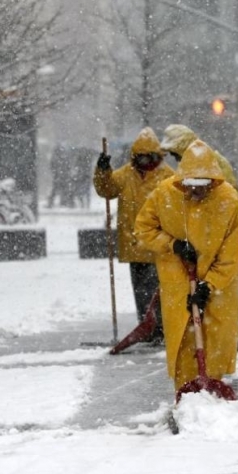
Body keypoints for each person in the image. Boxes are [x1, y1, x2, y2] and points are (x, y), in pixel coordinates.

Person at [134, 140, 238, 392]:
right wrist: (172, 244)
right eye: (191, 185)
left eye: (202, 186)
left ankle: (211, 385)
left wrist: (209, 285)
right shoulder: (165, 194)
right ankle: (185, 389)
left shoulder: (228, 200)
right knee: (184, 337)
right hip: (178, 278)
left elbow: (231, 254)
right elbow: (143, 229)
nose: (196, 191)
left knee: (215, 336)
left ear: (213, 181)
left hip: (219, 283)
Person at [159, 124, 238, 351]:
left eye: (175, 154)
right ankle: (227, 333)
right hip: (210, 237)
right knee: (215, 287)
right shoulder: (197, 164)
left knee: (226, 286)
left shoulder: (210, 163)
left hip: (223, 238)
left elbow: (225, 201)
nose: (175, 159)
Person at [93, 127, 174, 343]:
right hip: (134, 245)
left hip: (159, 245)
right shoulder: (126, 175)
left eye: (150, 157)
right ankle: (148, 327)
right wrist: (103, 170)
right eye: (142, 157)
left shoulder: (168, 177)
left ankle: (159, 328)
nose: (146, 162)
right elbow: (107, 190)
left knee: (158, 291)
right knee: (141, 291)